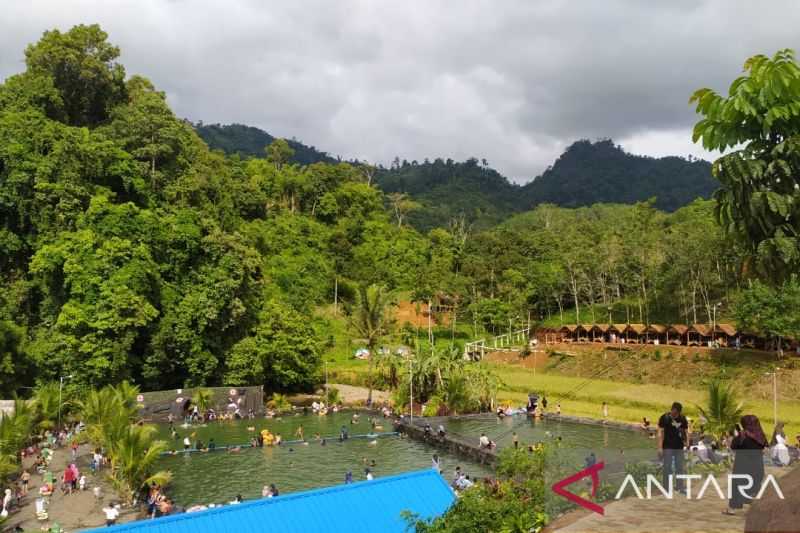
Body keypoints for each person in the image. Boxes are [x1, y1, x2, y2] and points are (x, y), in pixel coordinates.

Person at [724, 415, 768, 515]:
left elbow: (733, 446)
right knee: (754, 487)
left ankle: (732, 509)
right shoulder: (760, 435)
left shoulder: (743, 435)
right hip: (757, 466)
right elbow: (764, 446)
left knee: (737, 486)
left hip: (742, 465)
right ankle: (753, 511)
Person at [658, 402, 688, 493]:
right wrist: (659, 447)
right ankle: (666, 488)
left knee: (680, 467)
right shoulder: (665, 418)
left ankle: (680, 487)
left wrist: (687, 442)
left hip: (679, 446)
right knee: (667, 467)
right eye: (672, 411)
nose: (673, 413)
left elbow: (685, 431)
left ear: (679, 412)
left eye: (676, 412)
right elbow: (660, 432)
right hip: (667, 446)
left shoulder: (682, 419)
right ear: (671, 409)